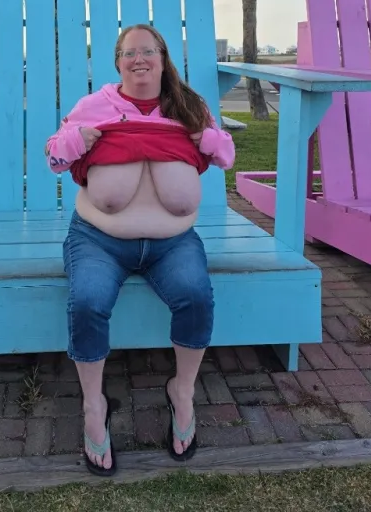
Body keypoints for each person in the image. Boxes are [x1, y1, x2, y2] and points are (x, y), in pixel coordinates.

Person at [45, 24, 235, 476]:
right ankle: (94, 405)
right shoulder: (95, 105)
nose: (139, 60)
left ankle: (182, 392)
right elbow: (54, 157)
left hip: (172, 242)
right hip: (98, 239)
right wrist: (76, 141)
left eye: (148, 51)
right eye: (129, 53)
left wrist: (207, 139)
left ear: (163, 59)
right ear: (118, 63)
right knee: (88, 300)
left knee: (196, 295)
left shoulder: (188, 106)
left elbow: (226, 154)